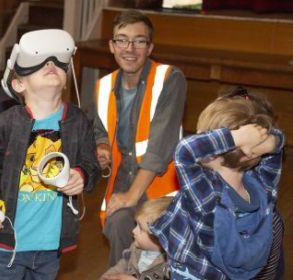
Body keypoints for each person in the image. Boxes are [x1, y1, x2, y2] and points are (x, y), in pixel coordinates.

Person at [0, 29, 101, 279]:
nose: (51, 64)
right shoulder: (5, 123)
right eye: (40, 62)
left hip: (50, 245)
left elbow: (93, 165)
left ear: (66, 77)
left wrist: (83, 175)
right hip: (7, 243)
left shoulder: (79, 121)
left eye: (57, 62)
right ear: (19, 83)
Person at [150, 87, 285, 279]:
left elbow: (185, 150)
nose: (198, 136)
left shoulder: (207, 195)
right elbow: (278, 141)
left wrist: (236, 138)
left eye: (203, 135)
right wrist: (267, 144)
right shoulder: (263, 188)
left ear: (213, 150)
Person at [93, 10, 187, 265]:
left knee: (152, 238)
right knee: (117, 225)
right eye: (122, 40)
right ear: (112, 46)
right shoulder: (103, 86)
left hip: (161, 186)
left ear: (150, 47)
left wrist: (132, 196)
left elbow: (159, 147)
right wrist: (101, 147)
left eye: (139, 41)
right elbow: (100, 129)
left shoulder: (170, 78)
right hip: (125, 179)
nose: (130, 48)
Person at [101, 196, 173, 280]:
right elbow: (123, 263)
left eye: (141, 228)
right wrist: (107, 276)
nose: (133, 231)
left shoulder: (170, 268)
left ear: (160, 239)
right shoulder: (136, 247)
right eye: (136, 225)